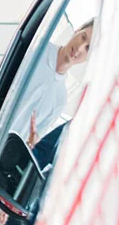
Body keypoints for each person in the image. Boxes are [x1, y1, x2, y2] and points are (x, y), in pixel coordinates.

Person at [13, 19, 94, 169]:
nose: (80, 48)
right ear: (77, 30)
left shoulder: (60, 99)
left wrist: (32, 142)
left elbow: (35, 139)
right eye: (83, 37)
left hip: (6, 157)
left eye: (88, 48)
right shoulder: (36, 50)